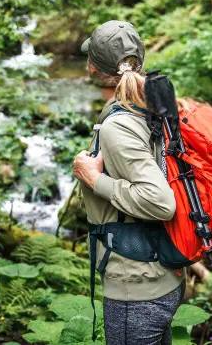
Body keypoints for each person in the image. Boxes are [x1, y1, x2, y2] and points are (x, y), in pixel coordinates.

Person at [72, 20, 184, 345]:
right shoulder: (151, 106)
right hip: (163, 274)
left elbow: (161, 202)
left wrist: (94, 179)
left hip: (135, 287)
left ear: (93, 67)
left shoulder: (117, 125)